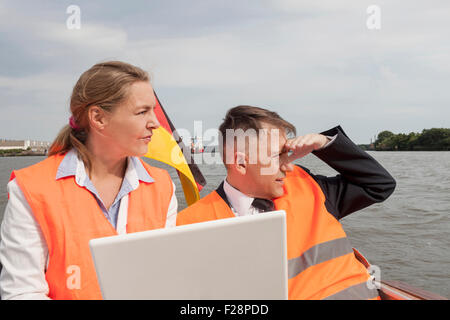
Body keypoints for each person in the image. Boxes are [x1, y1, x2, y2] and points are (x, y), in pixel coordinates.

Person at [176, 105, 396, 300]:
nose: (288, 166)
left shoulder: (308, 185)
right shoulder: (190, 226)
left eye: (286, 154)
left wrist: (324, 144)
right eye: (276, 157)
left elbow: (379, 185)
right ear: (241, 164)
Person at [0, 61, 178, 300]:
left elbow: (163, 277)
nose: (155, 122)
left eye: (153, 110)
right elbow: (21, 293)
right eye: (142, 112)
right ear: (98, 118)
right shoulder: (31, 188)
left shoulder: (163, 186)